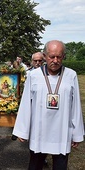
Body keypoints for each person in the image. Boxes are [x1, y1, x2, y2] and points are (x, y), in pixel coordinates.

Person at [12, 40, 84, 170]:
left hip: (62, 130)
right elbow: (26, 104)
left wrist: (77, 133)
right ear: (45, 56)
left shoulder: (70, 75)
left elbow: (76, 106)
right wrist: (22, 130)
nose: (55, 60)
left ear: (63, 56)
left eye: (59, 57)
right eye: (52, 56)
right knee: (35, 165)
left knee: (60, 165)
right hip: (39, 131)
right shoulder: (34, 75)